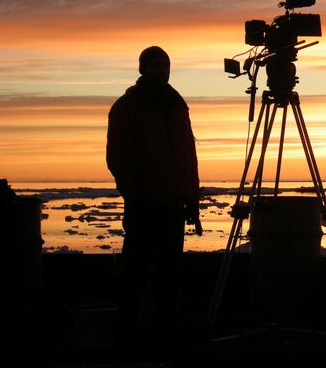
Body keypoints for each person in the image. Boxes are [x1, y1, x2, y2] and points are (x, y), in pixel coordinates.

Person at [106, 46, 201, 357]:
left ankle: (166, 334)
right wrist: (134, 196)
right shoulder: (127, 106)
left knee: (169, 273)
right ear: (143, 69)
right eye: (156, 65)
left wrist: (192, 199)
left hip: (174, 204)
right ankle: (128, 335)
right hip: (143, 205)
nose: (162, 70)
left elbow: (189, 156)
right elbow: (117, 158)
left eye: (166, 65)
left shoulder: (177, 105)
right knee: (135, 272)